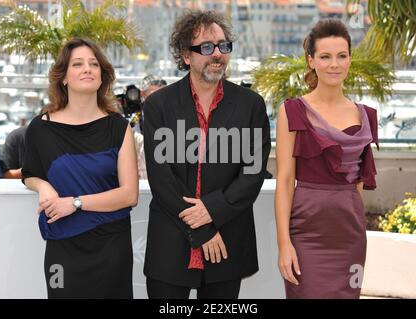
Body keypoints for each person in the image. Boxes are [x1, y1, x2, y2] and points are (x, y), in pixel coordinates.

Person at [143, 10, 271, 299]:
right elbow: (161, 179)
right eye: (206, 47)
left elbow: (252, 174)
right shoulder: (158, 106)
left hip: (227, 242)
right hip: (171, 244)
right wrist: (202, 231)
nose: (217, 54)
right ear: (186, 55)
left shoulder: (251, 105)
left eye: (224, 46)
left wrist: (212, 210)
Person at [21, 38, 139, 299]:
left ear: (101, 76)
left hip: (111, 246)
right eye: (78, 64)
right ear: (63, 77)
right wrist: (44, 186)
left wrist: (74, 203)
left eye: (94, 64)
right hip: (63, 245)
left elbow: (129, 194)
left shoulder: (118, 128)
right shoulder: (41, 128)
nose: (87, 69)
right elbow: (29, 173)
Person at [274, 19, 379, 299]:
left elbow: (358, 183)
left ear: (349, 60)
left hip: (350, 235)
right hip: (305, 233)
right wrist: (284, 244)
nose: (334, 64)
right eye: (325, 57)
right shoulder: (292, 112)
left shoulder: (366, 116)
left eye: (341, 56)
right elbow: (284, 182)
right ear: (311, 61)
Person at [134, 75, 167, 179]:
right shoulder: (135, 115)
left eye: (163, 94)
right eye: (154, 94)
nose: (159, 98)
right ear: (143, 94)